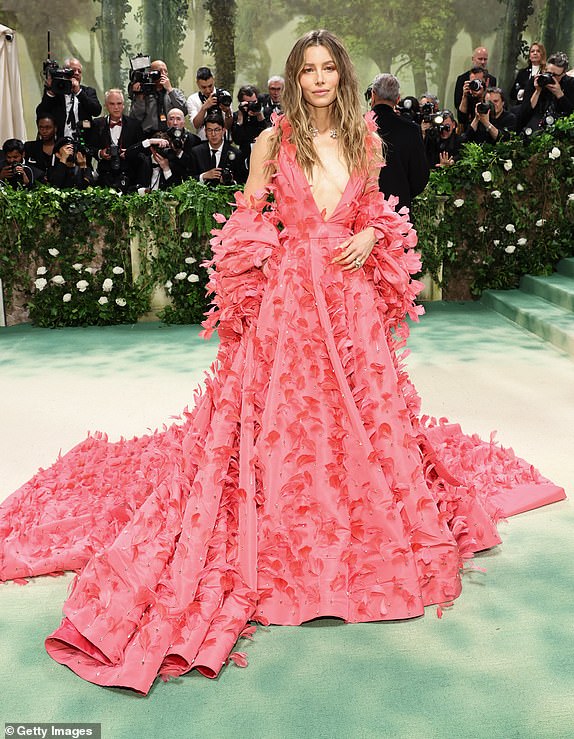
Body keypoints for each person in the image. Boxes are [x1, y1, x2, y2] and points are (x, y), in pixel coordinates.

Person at [0, 29, 565, 696]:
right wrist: (267, 249)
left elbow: (379, 212)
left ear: (341, 76)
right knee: (282, 428)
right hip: (291, 302)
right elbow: (245, 216)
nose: (320, 80)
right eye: (309, 70)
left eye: (329, 69)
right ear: (294, 78)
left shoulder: (367, 139)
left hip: (351, 308)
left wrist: (366, 232)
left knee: (363, 422)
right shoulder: (273, 142)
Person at [370, 74, 429, 214]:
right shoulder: (411, 130)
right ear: (398, 99)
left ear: (373, 94)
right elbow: (420, 178)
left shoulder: (358, 127)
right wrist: (402, 193)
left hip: (363, 211)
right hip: (398, 212)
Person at [89, 89, 147, 192]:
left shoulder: (134, 125)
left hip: (129, 177)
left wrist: (130, 153)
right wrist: (100, 153)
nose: (116, 107)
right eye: (112, 104)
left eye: (119, 103)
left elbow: (142, 150)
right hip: (104, 178)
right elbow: (89, 148)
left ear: (123, 105)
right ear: (106, 105)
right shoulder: (97, 124)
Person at [36, 57, 102, 142]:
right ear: (64, 72)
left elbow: (96, 111)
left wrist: (79, 92)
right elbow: (41, 113)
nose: (77, 73)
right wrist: (50, 92)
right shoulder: (56, 93)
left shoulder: (88, 91)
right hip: (59, 143)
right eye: (74, 70)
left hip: (83, 142)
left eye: (79, 71)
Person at [517, 51, 574, 133]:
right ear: (545, 69)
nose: (550, 77)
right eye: (548, 73)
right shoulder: (535, 81)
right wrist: (537, 91)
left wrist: (560, 95)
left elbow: (571, 114)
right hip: (534, 129)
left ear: (563, 74)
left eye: (555, 75)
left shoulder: (570, 83)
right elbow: (524, 114)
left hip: (560, 130)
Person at [128, 59, 187, 136]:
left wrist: (170, 90)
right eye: (159, 71)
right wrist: (140, 97)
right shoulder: (143, 94)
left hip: (172, 134)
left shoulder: (175, 92)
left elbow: (184, 111)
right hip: (149, 136)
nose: (163, 74)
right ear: (151, 74)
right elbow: (135, 119)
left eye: (165, 71)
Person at [191, 111, 247, 185]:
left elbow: (242, 180)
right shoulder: (196, 152)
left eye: (217, 130)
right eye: (209, 130)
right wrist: (204, 176)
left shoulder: (236, 153)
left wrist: (230, 182)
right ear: (205, 132)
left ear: (223, 131)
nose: (213, 134)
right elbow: (189, 178)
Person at [186, 66, 233, 140]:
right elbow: (196, 125)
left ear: (213, 80)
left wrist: (227, 111)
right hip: (203, 141)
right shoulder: (193, 99)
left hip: (223, 141)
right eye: (204, 87)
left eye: (210, 86)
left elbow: (228, 126)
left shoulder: (224, 95)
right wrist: (204, 108)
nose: (208, 90)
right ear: (198, 83)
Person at [454, 46, 497, 111]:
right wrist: (465, 95)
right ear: (473, 59)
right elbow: (457, 104)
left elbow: (493, 102)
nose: (483, 62)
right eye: (480, 59)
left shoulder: (492, 79)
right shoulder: (462, 79)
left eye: (485, 59)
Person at [510, 42, 546, 107]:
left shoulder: (546, 73)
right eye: (532, 51)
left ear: (542, 54)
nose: (535, 53)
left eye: (538, 51)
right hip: (522, 107)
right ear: (529, 56)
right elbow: (512, 94)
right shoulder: (522, 73)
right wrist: (522, 93)